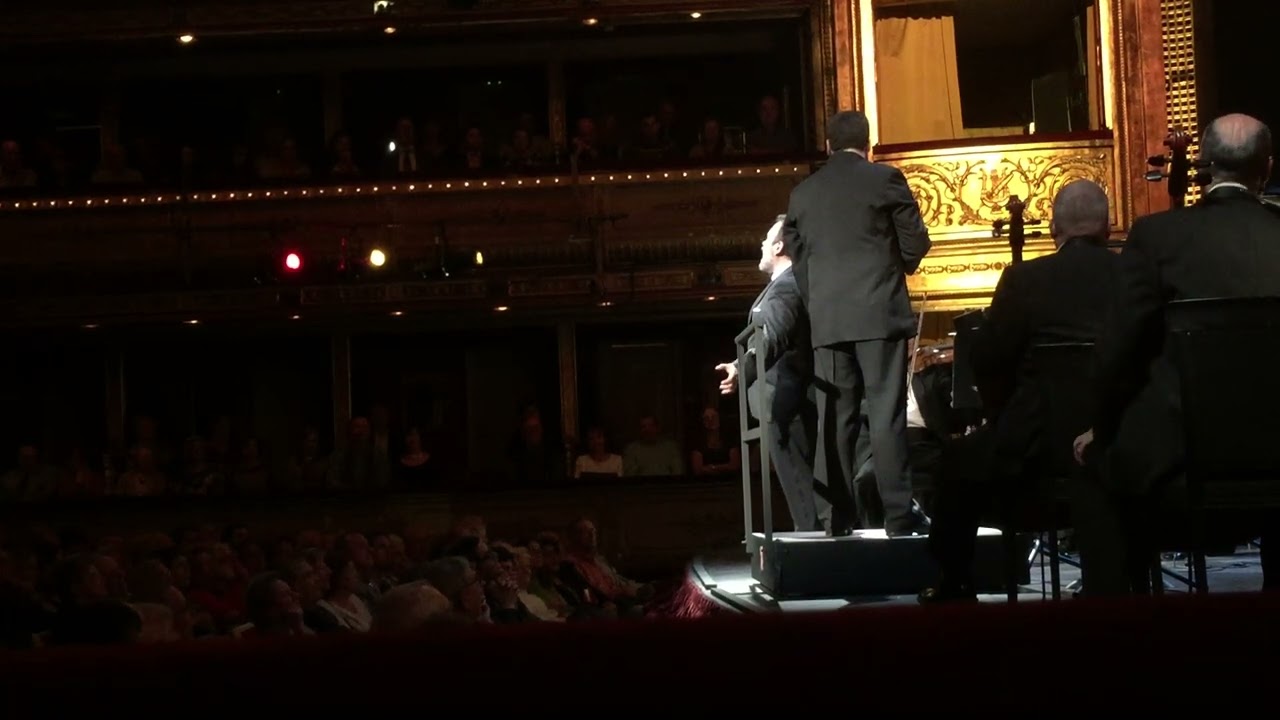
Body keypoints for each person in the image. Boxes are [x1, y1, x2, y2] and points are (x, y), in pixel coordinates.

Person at [1073, 113, 1280, 593]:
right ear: (1266, 169)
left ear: (1204, 165)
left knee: (1091, 475)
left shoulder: (1157, 238)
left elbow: (1118, 349)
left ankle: (1123, 632)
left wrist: (1101, 428)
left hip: (1177, 467)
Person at [919, 179, 1120, 603]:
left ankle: (954, 584)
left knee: (957, 460)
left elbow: (990, 358)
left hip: (1036, 445)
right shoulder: (1134, 273)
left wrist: (1006, 411)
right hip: (1119, 436)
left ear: (1053, 228)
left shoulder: (1025, 278)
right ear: (1108, 227)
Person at [782, 110, 931, 537]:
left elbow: (799, 259)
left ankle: (835, 519)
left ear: (828, 145)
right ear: (868, 144)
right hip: (880, 314)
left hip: (828, 320)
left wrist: (820, 301)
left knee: (834, 418)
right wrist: (892, 269)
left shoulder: (803, 194)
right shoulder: (885, 180)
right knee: (885, 416)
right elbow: (916, 243)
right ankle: (899, 518)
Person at [717, 215, 819, 531]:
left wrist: (742, 367)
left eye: (766, 239)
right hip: (790, 402)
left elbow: (771, 336)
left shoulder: (786, 288)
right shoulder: (793, 284)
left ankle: (816, 560)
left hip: (786, 404)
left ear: (778, 246)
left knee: (801, 492)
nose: (761, 244)